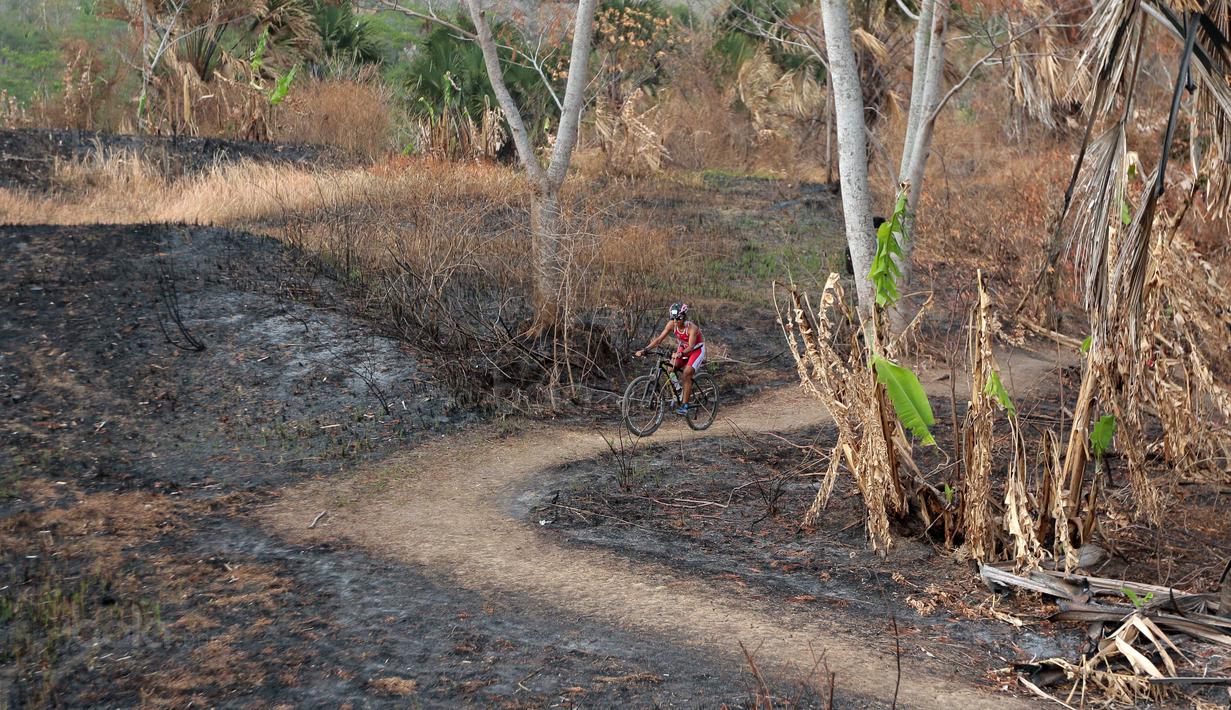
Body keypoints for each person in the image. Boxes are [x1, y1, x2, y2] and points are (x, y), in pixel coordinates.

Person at [635, 302, 705, 415]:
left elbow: (691, 347)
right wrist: (645, 350)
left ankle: (685, 406)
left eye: (678, 319)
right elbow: (658, 340)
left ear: (683, 317)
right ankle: (678, 390)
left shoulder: (692, 328)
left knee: (687, 373)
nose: (675, 321)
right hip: (683, 348)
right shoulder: (672, 324)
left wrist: (680, 354)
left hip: (696, 350)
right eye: (673, 319)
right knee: (670, 369)